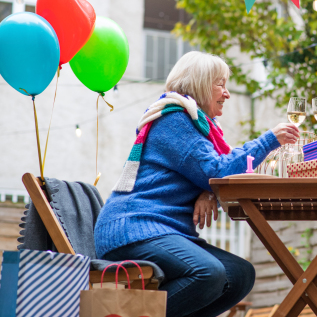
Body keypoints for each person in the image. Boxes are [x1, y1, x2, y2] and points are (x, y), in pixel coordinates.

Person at [94, 52, 300, 317]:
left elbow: (209, 171)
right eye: (220, 84)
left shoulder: (197, 126)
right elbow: (217, 170)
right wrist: (269, 139)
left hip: (164, 230)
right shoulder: (173, 120)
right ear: (200, 84)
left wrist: (208, 191)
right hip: (134, 227)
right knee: (209, 273)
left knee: (239, 275)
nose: (227, 93)